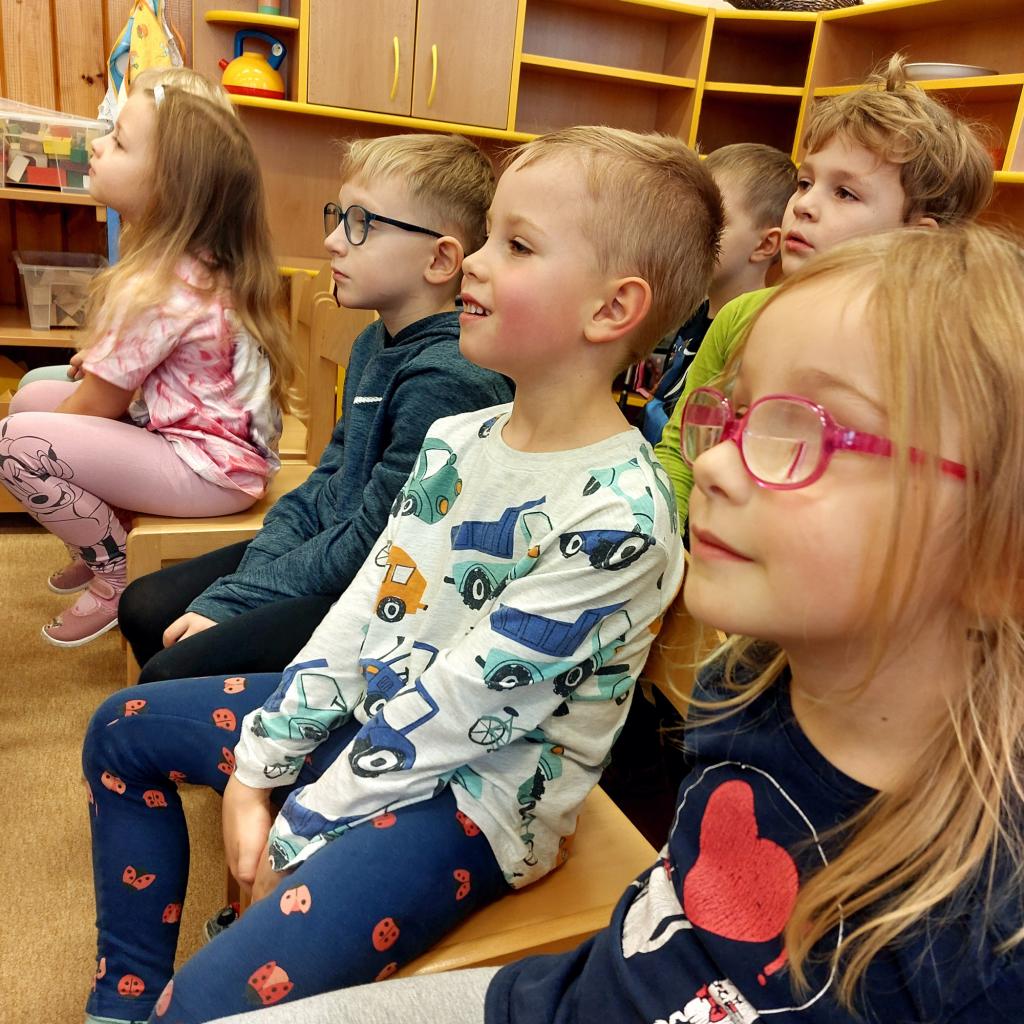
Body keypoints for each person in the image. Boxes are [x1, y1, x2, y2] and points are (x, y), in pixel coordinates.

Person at [212, 222, 1024, 1024]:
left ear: (1001, 553)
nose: (711, 462)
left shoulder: (991, 935)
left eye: (809, 429)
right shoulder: (746, 685)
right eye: (736, 416)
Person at [80, 125, 721, 1024]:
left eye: (517, 245)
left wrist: (296, 832)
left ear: (612, 309)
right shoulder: (459, 439)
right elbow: (365, 610)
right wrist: (262, 763)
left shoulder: (621, 515)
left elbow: (464, 712)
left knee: (212, 1004)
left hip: (475, 799)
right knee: (122, 729)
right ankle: (121, 998)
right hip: (379, 718)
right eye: (489, 236)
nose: (476, 263)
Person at [118, 132, 513, 683]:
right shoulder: (373, 342)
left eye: (362, 223)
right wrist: (249, 581)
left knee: (171, 669)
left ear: (440, 258)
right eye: (339, 216)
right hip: (345, 549)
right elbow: (331, 478)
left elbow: (384, 541)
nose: (332, 240)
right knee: (143, 605)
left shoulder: (447, 378)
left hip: (392, 591)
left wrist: (238, 599)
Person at [0, 69, 292, 648]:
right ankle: (100, 535)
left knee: (16, 443)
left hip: (210, 470)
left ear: (167, 186)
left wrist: (65, 432)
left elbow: (95, 408)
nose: (98, 146)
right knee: (32, 398)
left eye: (119, 142)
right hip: (209, 447)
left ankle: (114, 569)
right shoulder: (189, 263)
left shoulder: (160, 283)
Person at [655, 53, 995, 525]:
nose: (804, 205)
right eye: (805, 182)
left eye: (845, 193)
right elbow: (682, 449)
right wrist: (667, 541)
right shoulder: (742, 315)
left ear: (915, 239)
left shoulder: (928, 356)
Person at [640, 142, 795, 444]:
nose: (689, 231)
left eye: (712, 220)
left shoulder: (756, 335)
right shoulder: (695, 313)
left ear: (765, 245)